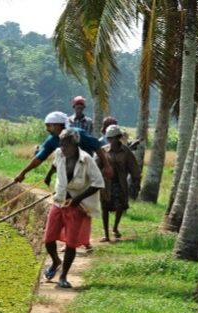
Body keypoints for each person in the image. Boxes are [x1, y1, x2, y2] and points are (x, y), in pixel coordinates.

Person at [42, 129, 104, 288]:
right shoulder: (59, 153)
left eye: (66, 145)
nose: (63, 148)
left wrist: (77, 200)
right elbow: (55, 165)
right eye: (61, 144)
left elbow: (98, 183)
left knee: (71, 243)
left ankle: (63, 276)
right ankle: (56, 261)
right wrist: (49, 175)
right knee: (49, 239)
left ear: (75, 145)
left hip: (78, 206)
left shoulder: (86, 160)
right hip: (60, 201)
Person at [14, 111, 113, 183]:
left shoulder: (78, 134)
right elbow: (39, 159)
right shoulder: (52, 140)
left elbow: (97, 147)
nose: (47, 129)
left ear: (58, 125)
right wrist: (23, 173)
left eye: (49, 126)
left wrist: (107, 166)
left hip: (84, 170)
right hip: (66, 172)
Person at [98, 125, 140, 242]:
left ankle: (115, 227)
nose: (111, 141)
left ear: (118, 137)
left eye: (113, 138)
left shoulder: (126, 152)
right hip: (106, 183)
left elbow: (133, 167)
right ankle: (106, 234)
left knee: (119, 206)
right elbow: (96, 165)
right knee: (105, 208)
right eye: (109, 138)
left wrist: (136, 181)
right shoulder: (103, 150)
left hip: (120, 183)